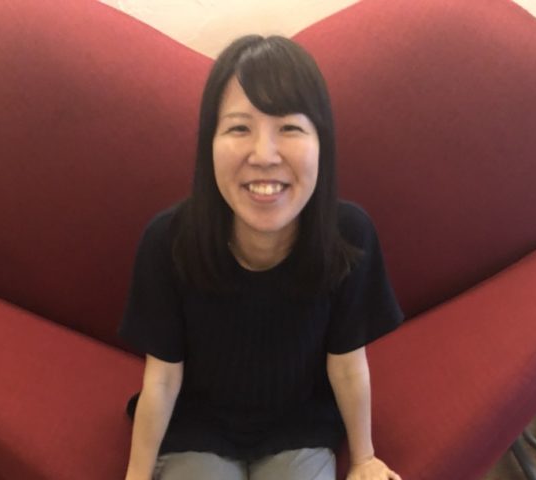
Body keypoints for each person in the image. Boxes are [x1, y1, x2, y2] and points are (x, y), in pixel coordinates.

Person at [119, 34, 404, 480]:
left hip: (299, 424)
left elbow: (347, 365)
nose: (264, 155)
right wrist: (136, 474)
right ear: (209, 143)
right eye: (239, 128)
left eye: (289, 128)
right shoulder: (168, 242)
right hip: (197, 424)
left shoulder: (348, 235)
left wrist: (364, 458)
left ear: (322, 143)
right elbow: (163, 377)